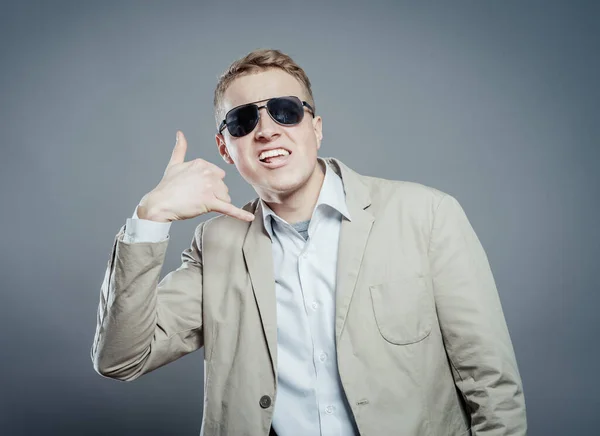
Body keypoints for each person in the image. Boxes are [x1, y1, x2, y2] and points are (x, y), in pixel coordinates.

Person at [91, 49, 527, 436]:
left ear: (315, 128)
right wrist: (151, 217)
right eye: (243, 120)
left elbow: (490, 383)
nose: (266, 130)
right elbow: (121, 359)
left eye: (284, 111)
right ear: (226, 149)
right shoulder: (216, 244)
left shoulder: (426, 215)